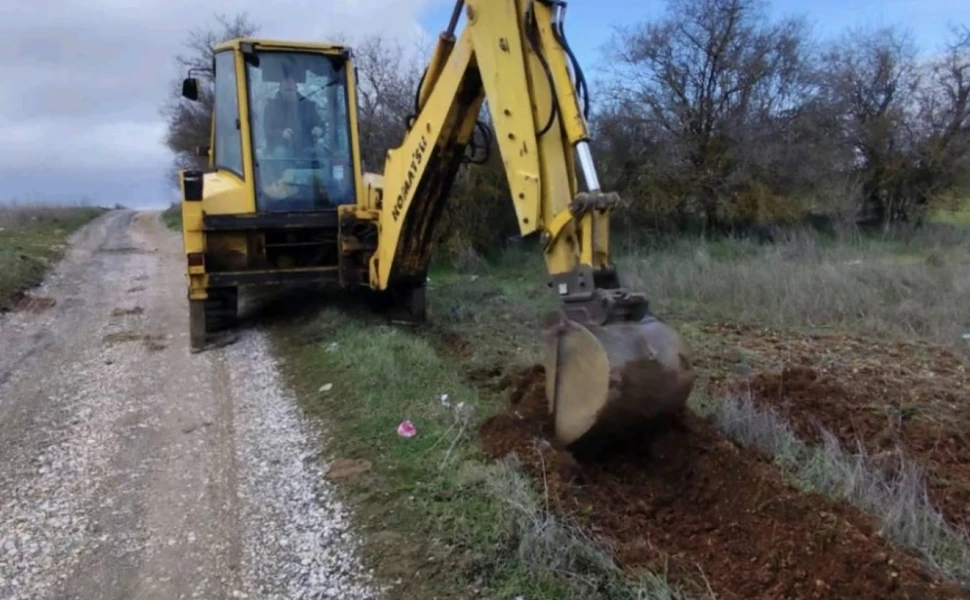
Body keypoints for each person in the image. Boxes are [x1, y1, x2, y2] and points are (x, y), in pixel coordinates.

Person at [262, 65, 324, 155]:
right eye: (286, 84)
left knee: (320, 153)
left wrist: (320, 130)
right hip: (281, 147)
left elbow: (320, 125)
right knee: (280, 152)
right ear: (280, 89)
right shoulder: (271, 107)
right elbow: (268, 130)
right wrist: (281, 134)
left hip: (306, 148)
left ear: (296, 87)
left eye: (291, 84)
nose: (289, 86)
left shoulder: (308, 106)